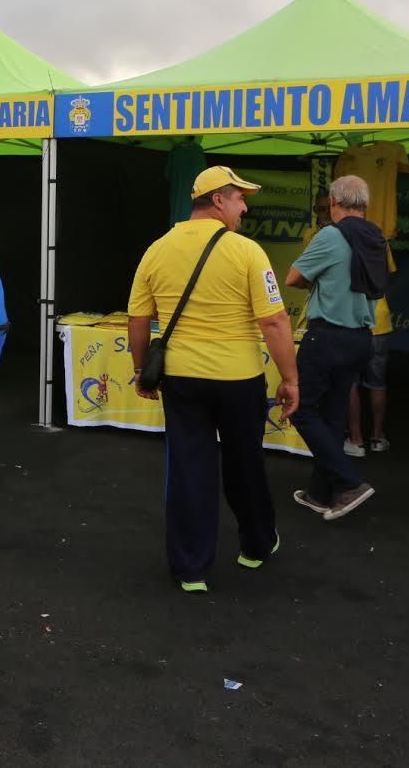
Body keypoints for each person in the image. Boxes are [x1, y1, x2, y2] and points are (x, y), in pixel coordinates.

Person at [127, 165, 299, 594]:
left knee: (189, 469)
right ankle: (256, 546)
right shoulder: (247, 252)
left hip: (182, 378)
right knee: (246, 464)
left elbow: (138, 318)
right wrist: (291, 378)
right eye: (240, 198)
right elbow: (276, 322)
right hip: (239, 379)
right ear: (218, 200)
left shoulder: (156, 249)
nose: (245, 206)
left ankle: (190, 570)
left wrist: (139, 368)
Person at [285, 175, 383, 521]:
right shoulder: (375, 238)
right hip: (360, 337)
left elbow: (293, 277)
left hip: (327, 336)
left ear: (332, 202)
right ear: (365, 205)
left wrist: (321, 279)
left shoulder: (331, 235)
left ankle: (350, 482)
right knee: (331, 415)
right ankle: (319, 493)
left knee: (301, 410)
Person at [347, 245, 396, 456]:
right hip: (379, 319)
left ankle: (356, 440)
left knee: (350, 383)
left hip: (352, 319)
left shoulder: (343, 238)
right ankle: (377, 437)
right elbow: (388, 273)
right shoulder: (379, 240)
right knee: (377, 383)